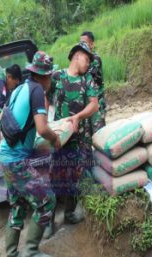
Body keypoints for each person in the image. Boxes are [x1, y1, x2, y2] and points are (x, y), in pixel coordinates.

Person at [0, 51, 61, 257]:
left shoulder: (19, 89)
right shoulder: (37, 91)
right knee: (47, 201)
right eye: (51, 75)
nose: (51, 79)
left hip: (6, 157)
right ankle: (31, 251)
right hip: (16, 161)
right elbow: (42, 128)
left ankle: (11, 253)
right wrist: (55, 139)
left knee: (17, 205)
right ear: (45, 76)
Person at [45, 41, 99, 238]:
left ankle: (68, 214)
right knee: (55, 179)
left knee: (75, 179)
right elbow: (45, 95)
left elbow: (94, 105)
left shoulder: (87, 81)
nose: (88, 63)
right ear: (77, 55)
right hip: (60, 139)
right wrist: (46, 121)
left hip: (80, 140)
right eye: (87, 59)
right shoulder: (57, 77)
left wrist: (78, 117)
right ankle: (49, 221)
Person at [80, 31, 106, 133]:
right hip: (88, 102)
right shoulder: (83, 59)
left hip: (97, 102)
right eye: (80, 42)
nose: (82, 45)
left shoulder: (95, 59)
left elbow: (85, 75)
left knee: (99, 132)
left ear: (92, 44)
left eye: (84, 42)